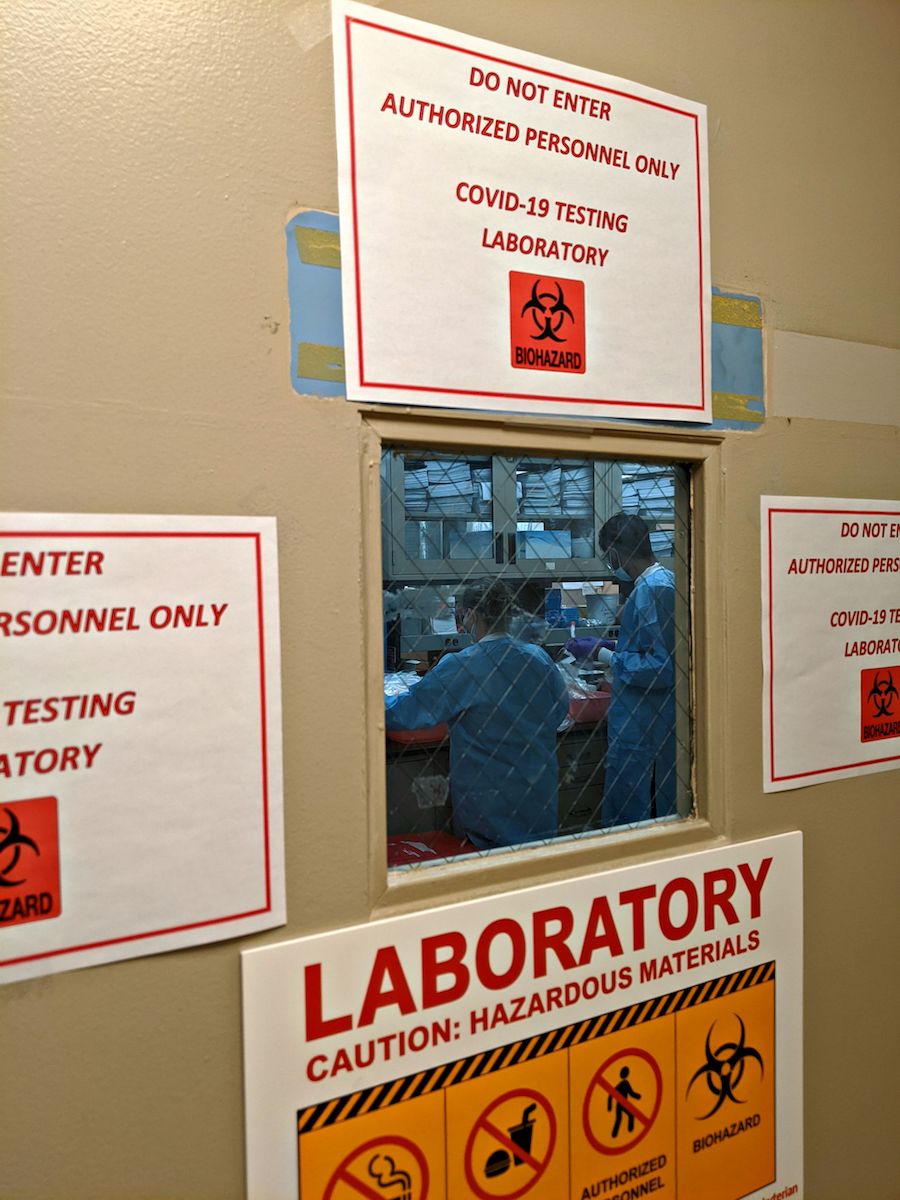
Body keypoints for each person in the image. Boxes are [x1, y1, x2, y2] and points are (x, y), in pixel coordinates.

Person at [385, 579, 570, 850]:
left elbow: (407, 712)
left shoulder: (464, 665)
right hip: (536, 803)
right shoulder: (538, 659)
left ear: (471, 614)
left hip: (489, 812)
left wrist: (371, 701)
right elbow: (559, 712)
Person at [566, 513, 676, 827]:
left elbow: (660, 667)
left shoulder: (653, 590)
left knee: (636, 814)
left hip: (646, 723)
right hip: (651, 719)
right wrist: (617, 647)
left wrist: (602, 654)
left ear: (615, 552)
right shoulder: (661, 582)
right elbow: (655, 646)